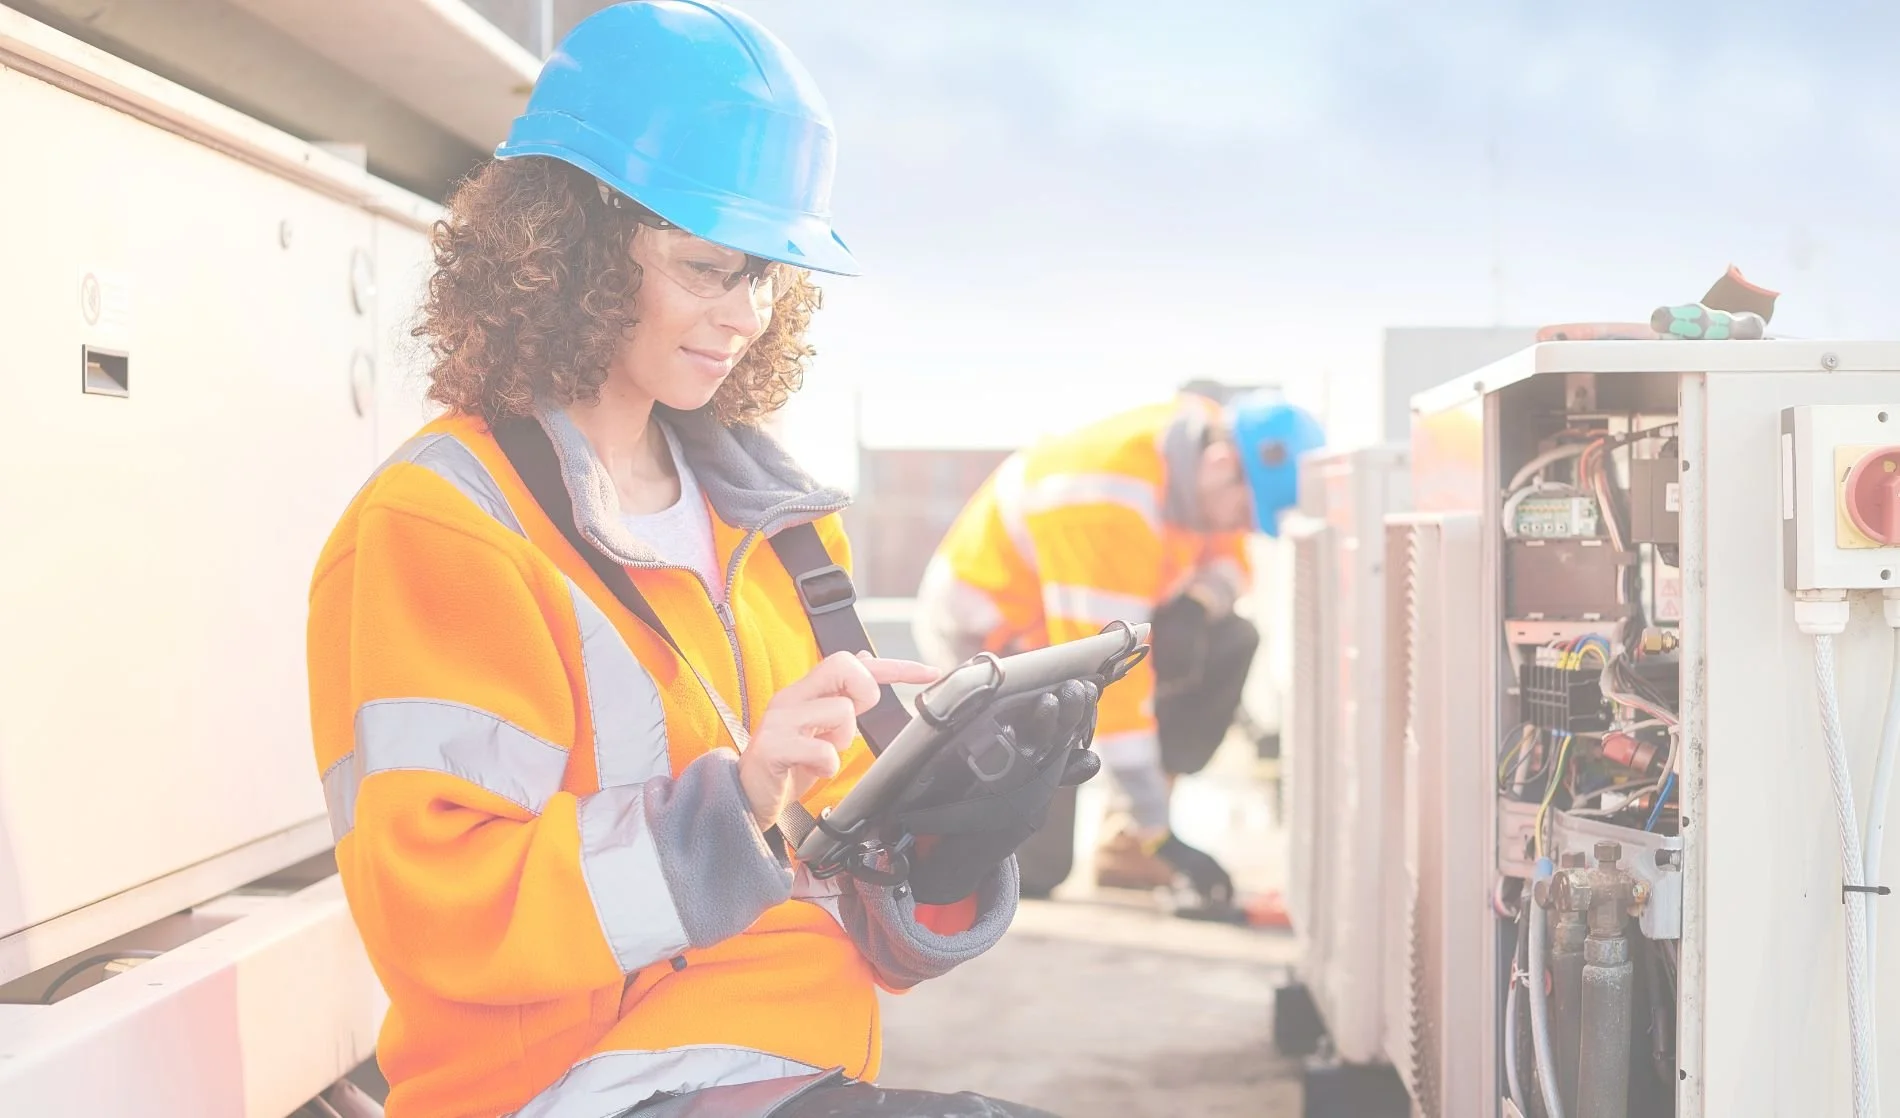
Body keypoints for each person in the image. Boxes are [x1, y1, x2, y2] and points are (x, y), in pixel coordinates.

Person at [305, 4, 1084, 1116]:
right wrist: (742, 797)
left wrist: (948, 835)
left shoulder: (779, 529)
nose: (746, 316)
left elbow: (845, 910)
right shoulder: (445, 526)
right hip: (582, 1088)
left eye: (765, 274)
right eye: (706, 267)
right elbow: (447, 911)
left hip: (782, 1065)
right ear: (567, 252)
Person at [912, 389, 1324, 908]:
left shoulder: (1207, 448)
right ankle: (1121, 828)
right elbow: (1110, 690)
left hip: (1079, 627)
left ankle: (1125, 845)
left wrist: (1195, 607)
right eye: (1244, 513)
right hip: (995, 651)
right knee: (1032, 874)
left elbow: (1234, 567)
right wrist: (1164, 837)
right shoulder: (1107, 502)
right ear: (1222, 465)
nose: (1241, 527)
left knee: (1229, 641)